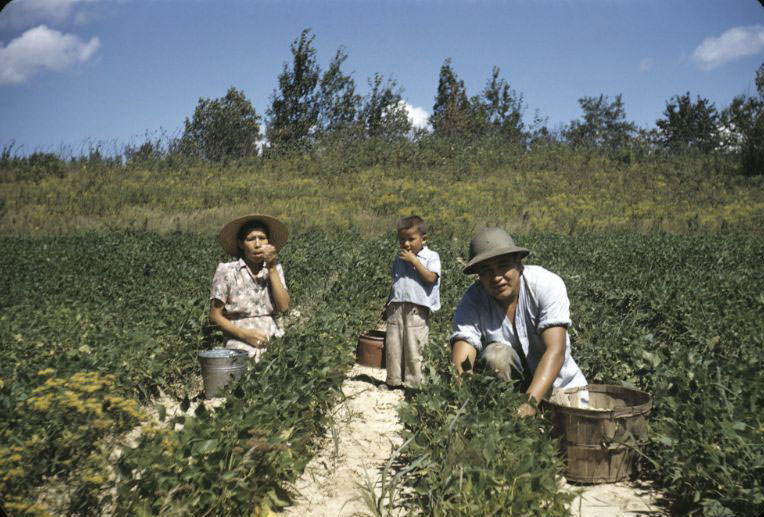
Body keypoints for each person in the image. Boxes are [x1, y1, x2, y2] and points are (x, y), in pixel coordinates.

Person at [450, 227, 587, 416]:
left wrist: (528, 405)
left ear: (518, 262)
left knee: (587, 430)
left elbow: (556, 350)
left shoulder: (546, 285)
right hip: (506, 393)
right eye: (486, 271)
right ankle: (501, 410)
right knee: (496, 356)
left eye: (503, 265)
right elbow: (462, 363)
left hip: (561, 386)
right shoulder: (472, 301)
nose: (497, 277)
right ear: (478, 275)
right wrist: (469, 406)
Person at [209, 214, 290, 361]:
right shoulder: (227, 271)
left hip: (273, 334)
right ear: (241, 244)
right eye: (251, 239)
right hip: (240, 337)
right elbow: (215, 315)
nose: (258, 244)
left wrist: (271, 268)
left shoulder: (274, 268)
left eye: (262, 238)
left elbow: (284, 306)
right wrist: (244, 335)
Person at [383, 215, 441, 389]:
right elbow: (396, 283)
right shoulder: (398, 259)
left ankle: (414, 383)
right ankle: (393, 380)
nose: (406, 244)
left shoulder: (431, 256)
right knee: (393, 345)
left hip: (417, 310)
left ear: (424, 239)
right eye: (402, 240)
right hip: (396, 307)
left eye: (411, 239)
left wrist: (415, 262)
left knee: (414, 345)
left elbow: (431, 278)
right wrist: (387, 304)